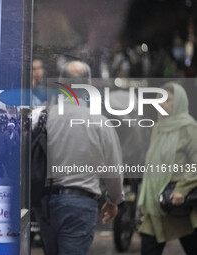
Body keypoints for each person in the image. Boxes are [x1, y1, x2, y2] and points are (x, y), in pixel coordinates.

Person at [45, 60, 123, 255]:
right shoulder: (100, 122)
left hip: (44, 203)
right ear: (89, 85)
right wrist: (113, 200)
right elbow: (113, 168)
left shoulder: (44, 117)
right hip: (80, 204)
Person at [138, 82, 197, 255]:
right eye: (160, 100)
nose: (163, 104)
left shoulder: (189, 127)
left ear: (179, 102)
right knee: (148, 248)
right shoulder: (158, 128)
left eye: (169, 100)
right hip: (157, 203)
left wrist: (182, 189)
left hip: (180, 204)